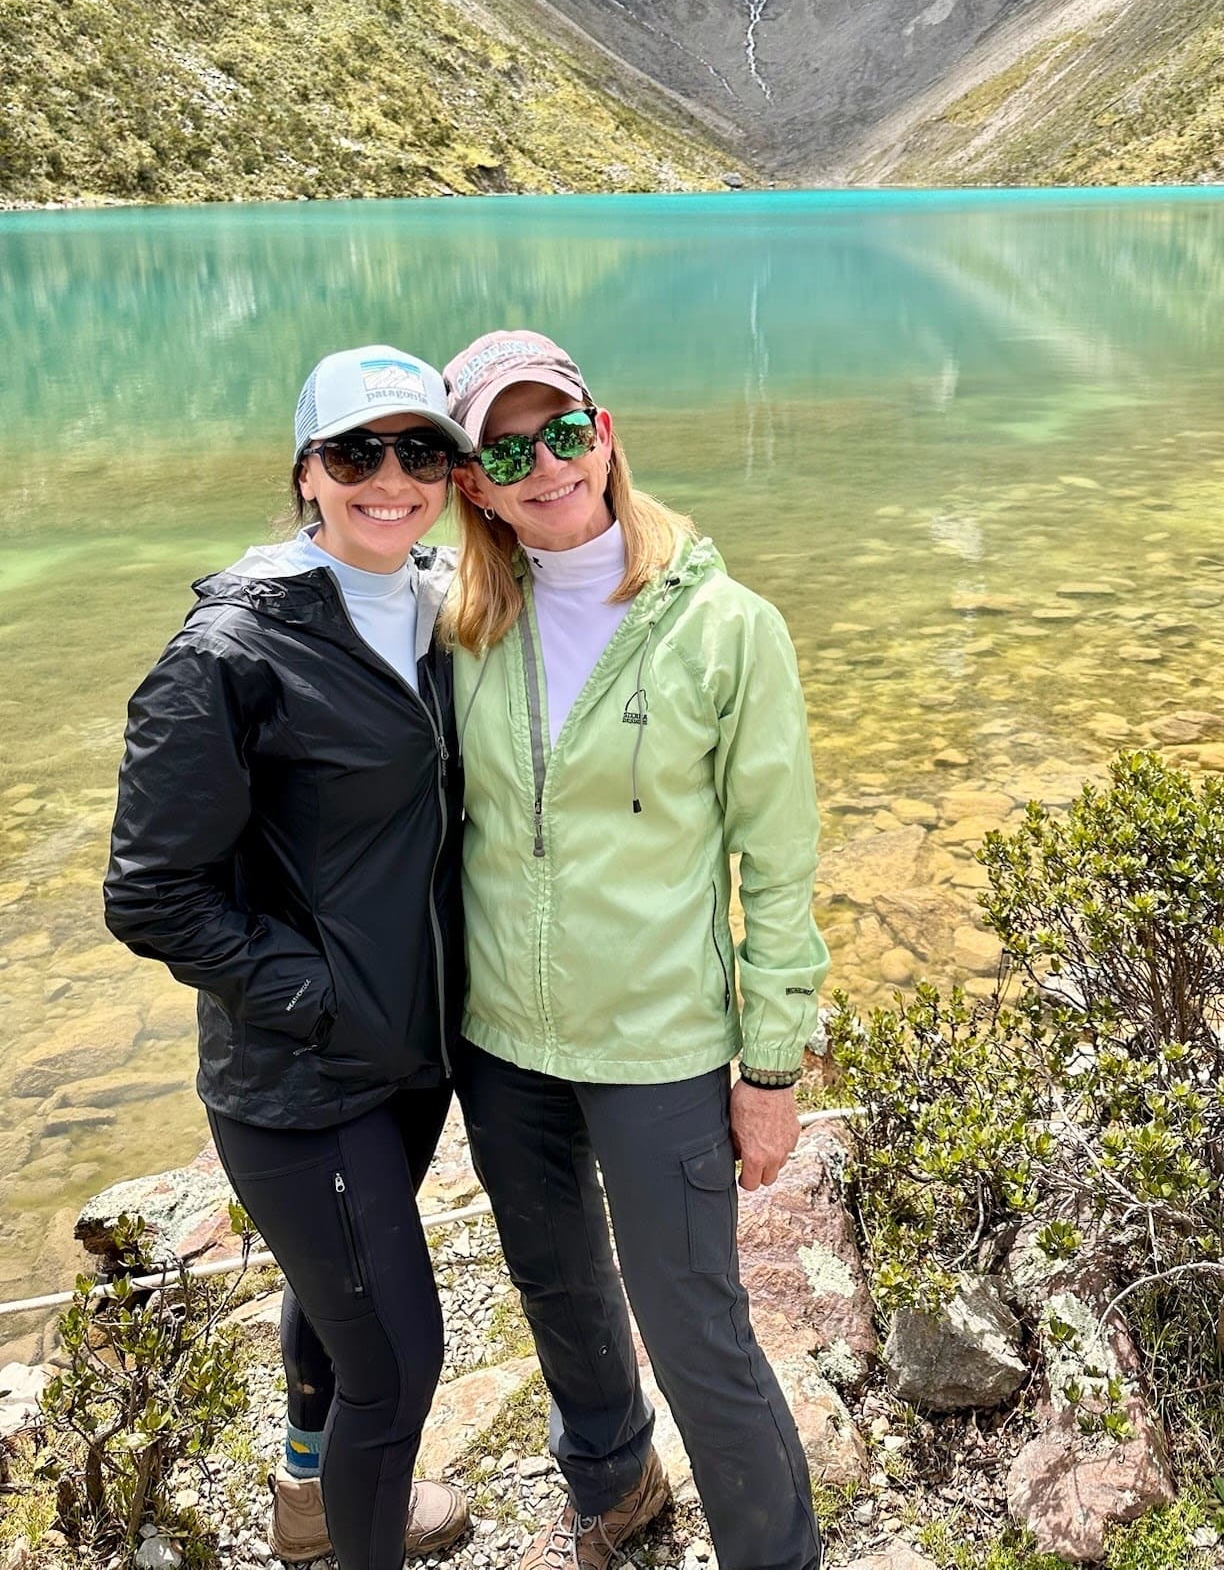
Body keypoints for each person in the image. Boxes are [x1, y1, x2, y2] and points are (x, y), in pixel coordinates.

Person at [444, 328, 830, 1570]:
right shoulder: (456, 625)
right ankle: (614, 1484)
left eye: (563, 430)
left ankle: (775, 1552)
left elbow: (778, 864)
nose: (545, 463)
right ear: (474, 483)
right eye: (508, 448)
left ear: (603, 432)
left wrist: (769, 1066)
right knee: (559, 1293)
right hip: (503, 1042)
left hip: (660, 1043)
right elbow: (332, 565)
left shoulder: (727, 628)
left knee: (696, 1323)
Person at [103, 346, 476, 1570]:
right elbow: (151, 891)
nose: (391, 478)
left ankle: (309, 1498)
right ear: (307, 471)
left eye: (420, 450)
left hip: (404, 1057)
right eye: (356, 452)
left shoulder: (429, 603)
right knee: (401, 1358)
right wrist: (311, 996)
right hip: (303, 1079)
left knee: (337, 1304)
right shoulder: (227, 653)